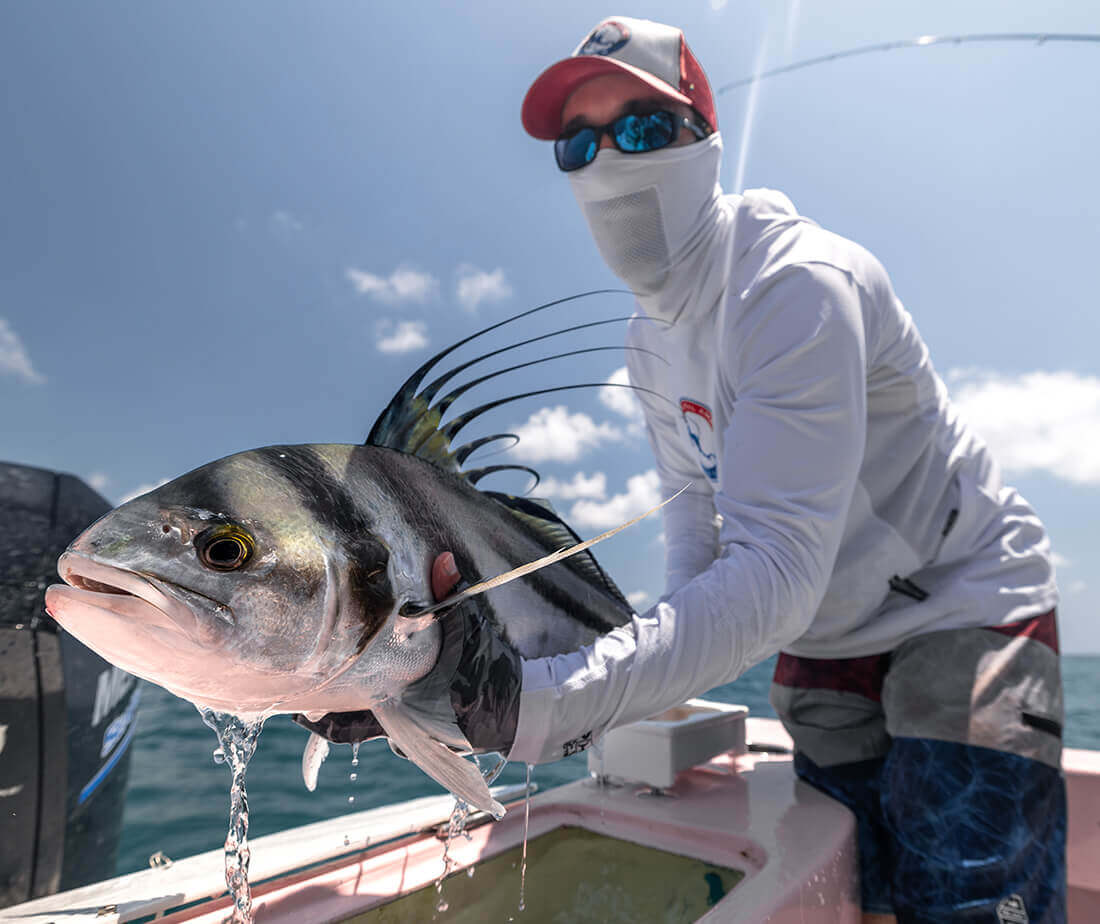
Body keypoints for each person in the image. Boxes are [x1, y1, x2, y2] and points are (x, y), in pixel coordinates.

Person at [304, 16, 1067, 923]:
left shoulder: (797, 285)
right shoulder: (649, 344)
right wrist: (421, 683)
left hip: (965, 604)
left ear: (705, 142)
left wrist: (539, 705)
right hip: (824, 638)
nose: (607, 163)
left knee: (964, 896)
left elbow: (774, 569)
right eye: (577, 143)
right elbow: (695, 529)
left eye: (640, 129)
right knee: (850, 871)